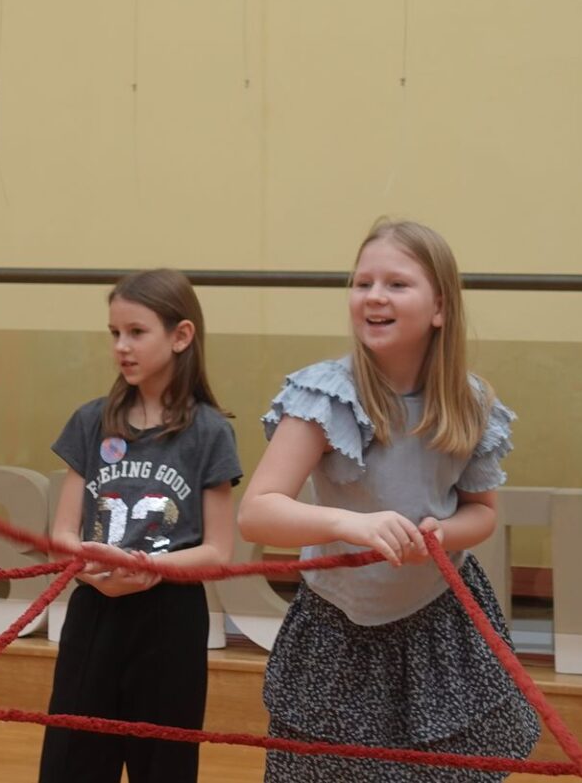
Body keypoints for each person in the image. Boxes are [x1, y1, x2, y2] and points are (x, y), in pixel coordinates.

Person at [239, 219, 541, 782]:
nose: (374, 296)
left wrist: (442, 534)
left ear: (440, 308)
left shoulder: (469, 402)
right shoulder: (326, 395)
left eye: (397, 284)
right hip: (338, 631)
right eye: (362, 283)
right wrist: (349, 524)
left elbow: (482, 513)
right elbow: (258, 512)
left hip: (440, 626)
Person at [38, 269, 243, 783]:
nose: (121, 347)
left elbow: (219, 551)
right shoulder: (90, 421)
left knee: (164, 765)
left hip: (170, 620)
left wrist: (148, 566)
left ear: (181, 336)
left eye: (136, 332)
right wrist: (91, 565)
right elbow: (62, 536)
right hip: (94, 612)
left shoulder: (211, 432)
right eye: (114, 333)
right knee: (72, 762)